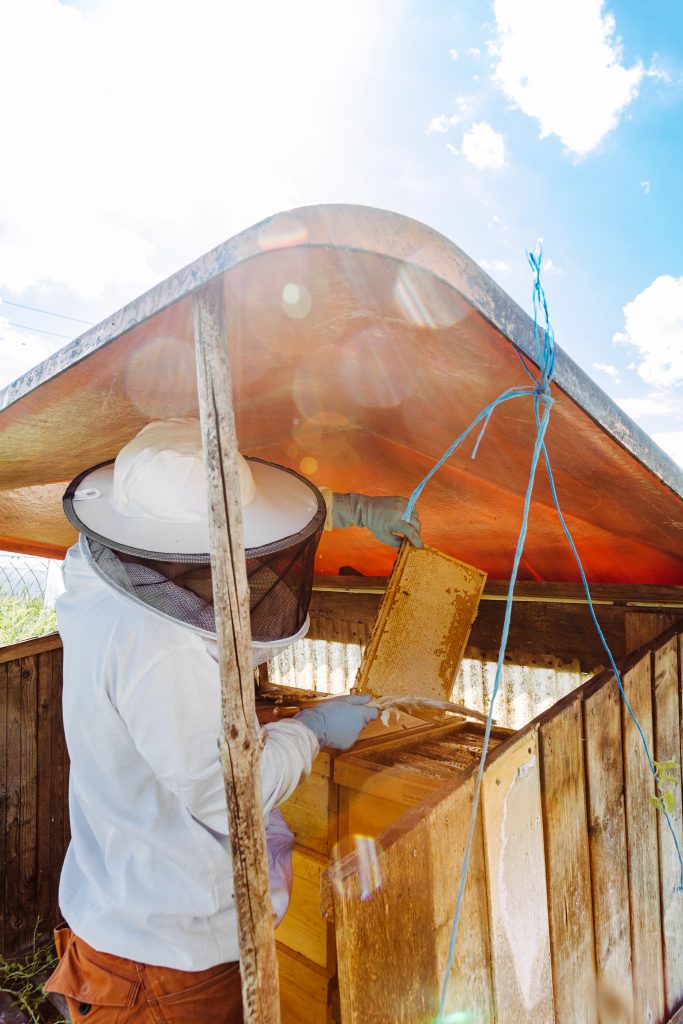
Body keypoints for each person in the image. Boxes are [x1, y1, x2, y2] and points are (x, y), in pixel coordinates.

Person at [45, 417, 422, 1023]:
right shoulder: (156, 645)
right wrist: (312, 730)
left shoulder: (98, 579)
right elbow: (232, 793)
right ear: (182, 556)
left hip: (124, 915)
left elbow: (209, 507)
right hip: (166, 963)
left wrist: (347, 508)